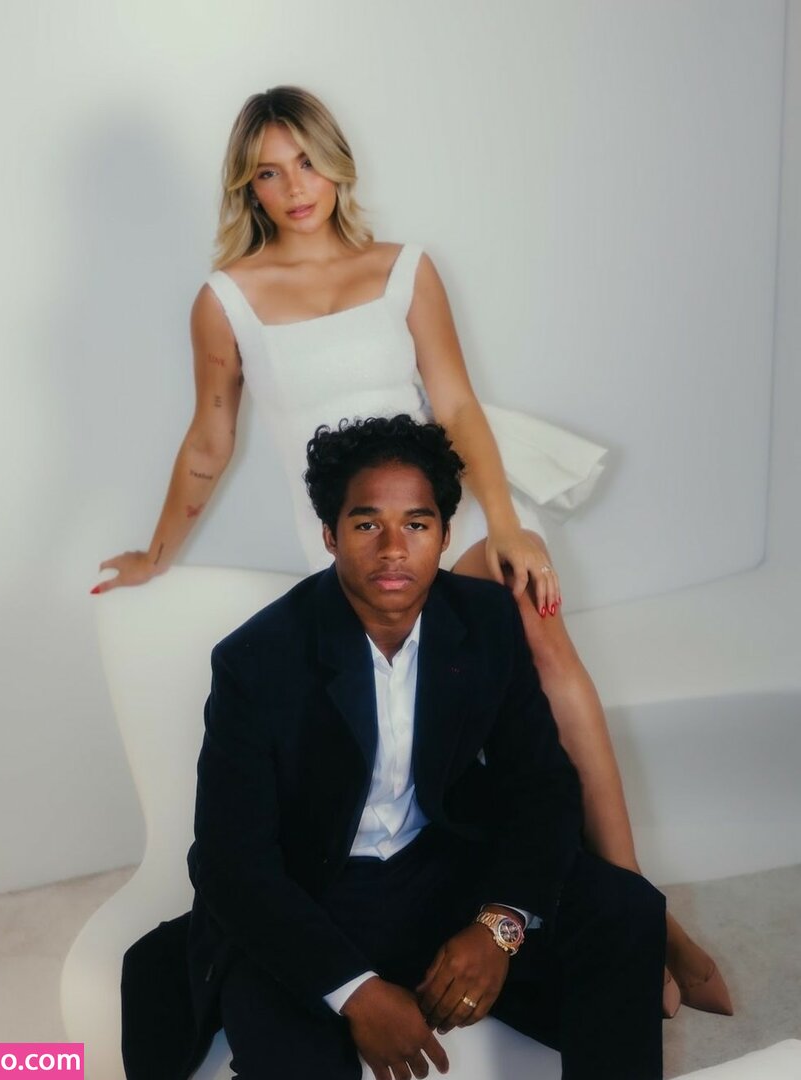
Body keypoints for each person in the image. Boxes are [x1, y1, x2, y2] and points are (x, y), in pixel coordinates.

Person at [98, 85, 729, 1016]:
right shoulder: (226, 299)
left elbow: (455, 403)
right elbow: (209, 439)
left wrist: (504, 525)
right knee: (439, 716)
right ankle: (543, 904)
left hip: (448, 510)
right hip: (357, 536)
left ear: (335, 163)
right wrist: (156, 552)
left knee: (540, 632)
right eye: (268, 173)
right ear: (247, 188)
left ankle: (637, 905)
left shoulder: (403, 269)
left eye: (306, 163)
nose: (294, 188)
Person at [122, 415, 666, 1080]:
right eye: (365, 524)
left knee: (627, 912)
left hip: (438, 869)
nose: (392, 549)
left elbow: (541, 785)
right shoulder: (256, 661)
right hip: (309, 894)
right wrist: (354, 991)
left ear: (444, 534)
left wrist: (498, 925)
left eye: (415, 524)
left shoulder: (485, 620)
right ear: (330, 535)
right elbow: (230, 860)